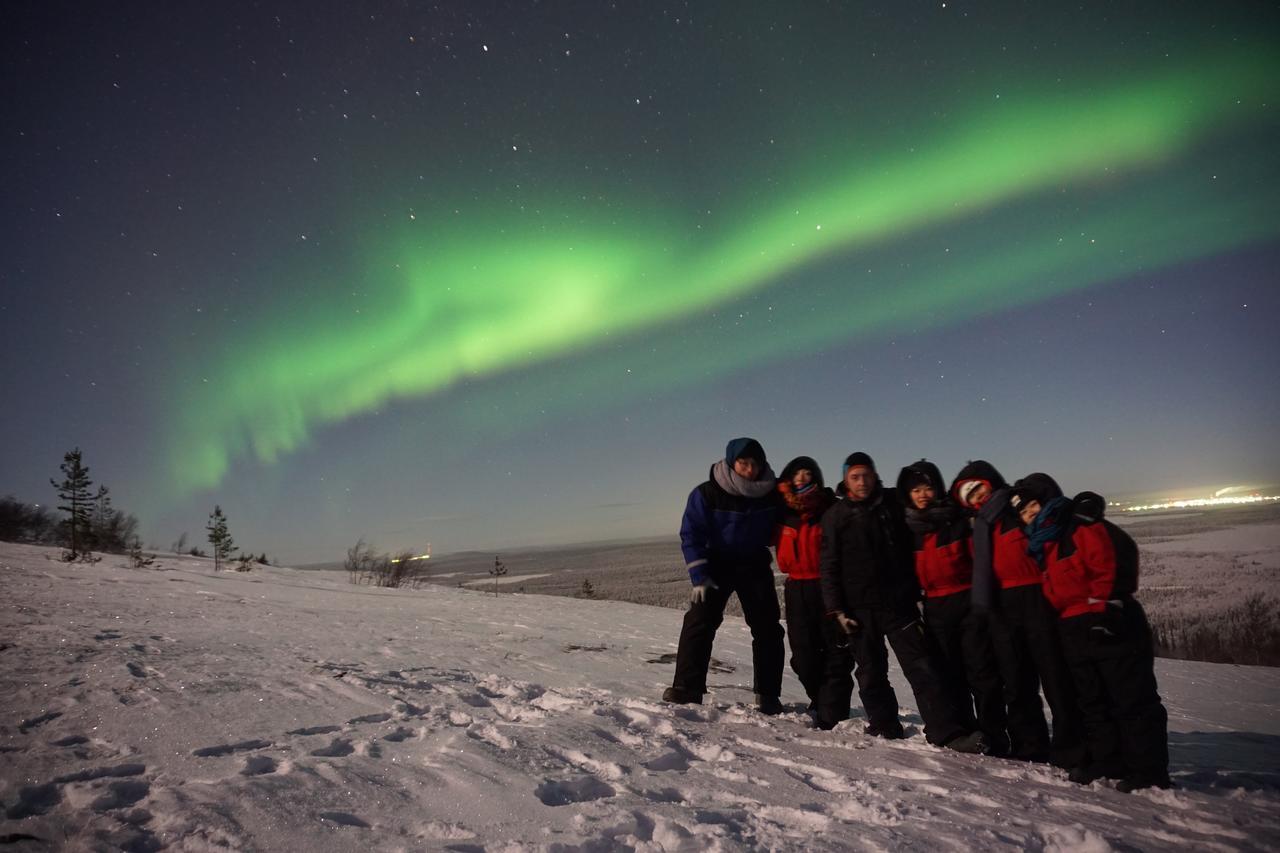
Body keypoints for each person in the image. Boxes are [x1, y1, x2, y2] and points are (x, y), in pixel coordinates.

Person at [1010, 474, 1171, 792]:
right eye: (1023, 513)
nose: (1028, 516)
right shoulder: (1048, 543)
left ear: (1046, 501)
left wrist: (1105, 609)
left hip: (1109, 621)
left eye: (1031, 506)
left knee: (1130, 698)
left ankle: (1148, 770)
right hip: (1074, 628)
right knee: (1092, 700)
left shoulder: (1079, 526)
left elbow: (1107, 563)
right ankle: (1108, 759)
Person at [818, 452, 985, 752]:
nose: (862, 481)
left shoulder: (891, 503)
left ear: (875, 475)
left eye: (867, 474)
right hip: (858, 610)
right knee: (870, 672)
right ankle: (884, 726)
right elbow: (828, 565)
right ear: (845, 479)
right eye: (855, 476)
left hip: (899, 604)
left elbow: (925, 506)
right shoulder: (835, 516)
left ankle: (946, 732)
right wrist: (837, 610)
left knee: (923, 668)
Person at [951, 460, 1084, 769]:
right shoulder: (981, 524)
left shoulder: (1017, 507)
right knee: (1016, 681)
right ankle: (1029, 746)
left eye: (978, 488)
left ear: (991, 482)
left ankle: (1071, 749)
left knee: (1055, 677)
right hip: (1001, 605)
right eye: (967, 495)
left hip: (1039, 596)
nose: (975, 498)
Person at [665, 437, 786, 714]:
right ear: (732, 463)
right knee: (699, 622)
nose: (750, 469)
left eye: (756, 463)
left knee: (768, 629)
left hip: (754, 563)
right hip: (716, 563)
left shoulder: (771, 492)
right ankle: (686, 689)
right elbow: (690, 533)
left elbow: (792, 509)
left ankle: (768, 695)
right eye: (744, 463)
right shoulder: (708, 493)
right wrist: (698, 574)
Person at [898, 459, 1009, 756]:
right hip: (935, 607)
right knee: (951, 675)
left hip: (967, 602)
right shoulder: (911, 531)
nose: (922, 494)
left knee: (982, 673)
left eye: (928, 487)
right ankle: (968, 732)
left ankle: (996, 733)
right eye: (916, 489)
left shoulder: (957, 521)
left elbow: (981, 561)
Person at [774, 456, 838, 720]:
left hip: (827, 585)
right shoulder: (781, 512)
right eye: (796, 473)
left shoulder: (829, 508)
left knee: (834, 651)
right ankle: (819, 697)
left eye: (807, 473)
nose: (802, 477)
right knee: (802, 656)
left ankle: (830, 708)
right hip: (796, 588)